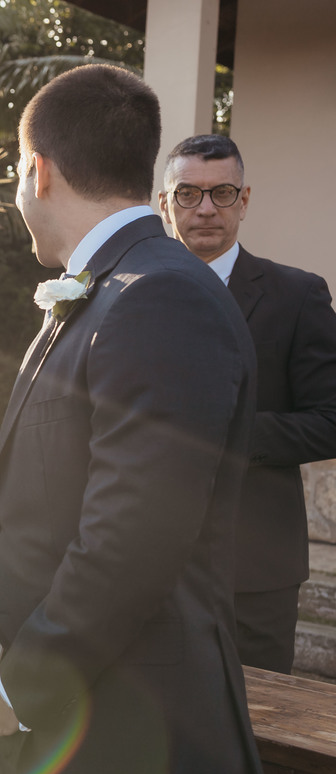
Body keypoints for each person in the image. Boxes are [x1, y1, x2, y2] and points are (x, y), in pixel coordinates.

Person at [0, 65, 267, 774]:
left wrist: (20, 685)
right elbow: (55, 504)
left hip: (129, 736)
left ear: (37, 172)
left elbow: (133, 538)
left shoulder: (158, 298)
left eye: (19, 173)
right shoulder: (109, 290)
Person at [159, 134, 336, 674]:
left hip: (254, 572)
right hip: (143, 561)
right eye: (188, 193)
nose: (205, 208)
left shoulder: (297, 295)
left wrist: (224, 436)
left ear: (245, 200)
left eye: (222, 193)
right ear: (164, 204)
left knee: (258, 716)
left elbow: (331, 419)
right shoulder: (125, 291)